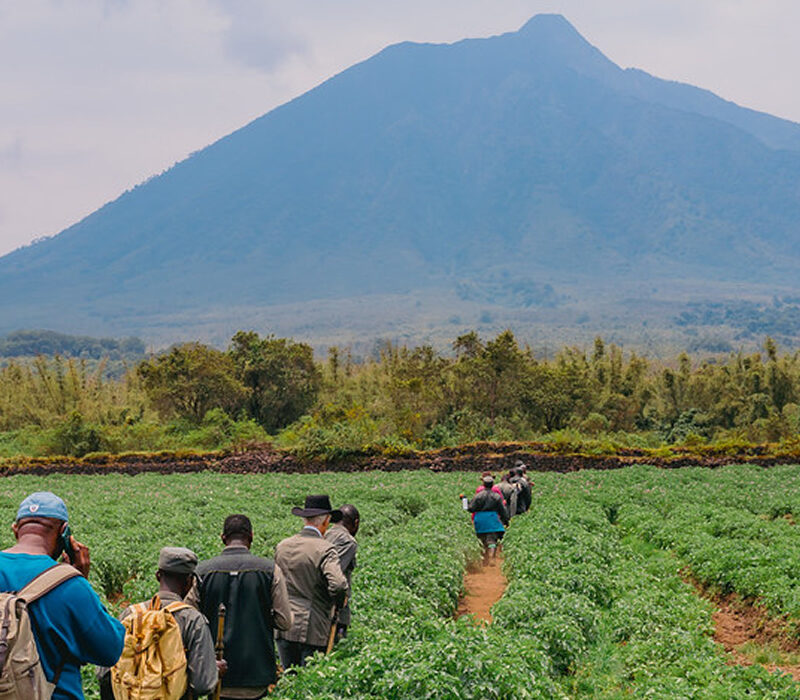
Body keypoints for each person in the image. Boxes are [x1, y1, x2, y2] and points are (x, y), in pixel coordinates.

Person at [0, 492, 125, 700]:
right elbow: (109, 649)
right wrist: (81, 580)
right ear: (64, 533)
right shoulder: (70, 585)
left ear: (16, 530)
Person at [98, 547, 221, 700]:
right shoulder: (193, 621)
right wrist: (213, 670)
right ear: (189, 581)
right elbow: (203, 684)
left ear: (158, 576)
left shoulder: (130, 614)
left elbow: (103, 672)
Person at [191, 514, 292, 700]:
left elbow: (190, 619)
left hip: (216, 673)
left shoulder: (201, 572)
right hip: (256, 673)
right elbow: (285, 621)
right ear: (251, 537)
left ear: (223, 538)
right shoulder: (270, 570)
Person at [275, 495, 348, 669]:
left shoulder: (283, 545)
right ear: (326, 521)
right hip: (312, 627)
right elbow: (338, 584)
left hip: (283, 625)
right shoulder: (325, 549)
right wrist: (339, 602)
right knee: (310, 682)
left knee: (290, 680)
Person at [324, 504, 359, 640]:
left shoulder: (324, 534)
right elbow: (334, 574)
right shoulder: (348, 542)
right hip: (333, 609)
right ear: (356, 523)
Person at [467, 475, 509, 565]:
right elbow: (502, 510)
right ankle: (492, 557)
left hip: (480, 519)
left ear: (483, 484)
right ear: (492, 484)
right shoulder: (496, 496)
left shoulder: (478, 496)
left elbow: (471, 508)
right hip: (492, 518)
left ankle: (484, 559)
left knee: (482, 539)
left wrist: (466, 501)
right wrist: (506, 521)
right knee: (492, 539)